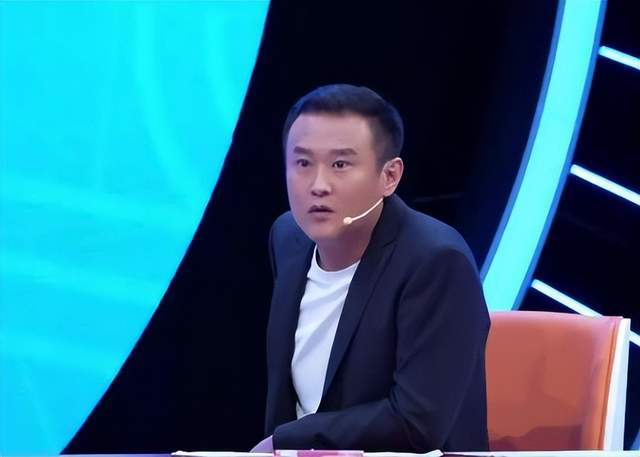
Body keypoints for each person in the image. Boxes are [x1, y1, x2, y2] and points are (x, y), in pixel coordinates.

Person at [252, 84, 490, 453]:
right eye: (303, 163)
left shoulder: (436, 261)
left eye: (340, 165)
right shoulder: (288, 238)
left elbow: (415, 422)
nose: (318, 185)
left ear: (389, 176)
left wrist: (284, 441)